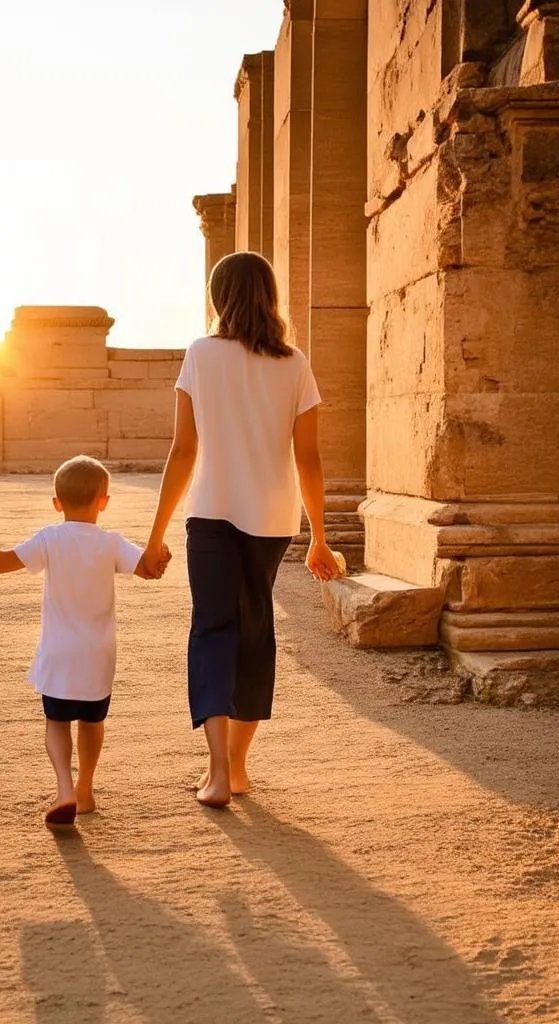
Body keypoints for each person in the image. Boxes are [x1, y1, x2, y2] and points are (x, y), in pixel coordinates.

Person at [138, 251, 341, 810]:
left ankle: (218, 772)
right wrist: (320, 537)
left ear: (218, 296)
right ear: (268, 295)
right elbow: (311, 459)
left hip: (211, 513)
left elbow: (183, 450)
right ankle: (239, 766)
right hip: (272, 520)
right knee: (256, 633)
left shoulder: (201, 354)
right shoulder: (295, 362)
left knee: (211, 631)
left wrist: (155, 536)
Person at [0, 455, 169, 829]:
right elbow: (147, 570)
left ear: (56, 503)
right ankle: (86, 789)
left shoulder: (49, 538)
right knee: (92, 723)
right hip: (98, 654)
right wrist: (160, 558)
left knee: (57, 722)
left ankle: (64, 787)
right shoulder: (111, 542)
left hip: (59, 654)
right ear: (104, 500)